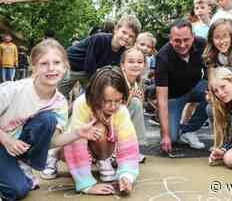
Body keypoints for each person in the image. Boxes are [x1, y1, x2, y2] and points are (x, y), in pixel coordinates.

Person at [0, 39, 102, 201]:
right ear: (34, 67)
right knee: (16, 191)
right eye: (44, 63)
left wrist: (78, 133)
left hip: (16, 149)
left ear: (65, 66)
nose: (51, 68)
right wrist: (6, 140)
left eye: (56, 62)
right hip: (4, 143)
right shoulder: (13, 90)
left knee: (48, 119)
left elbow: (51, 142)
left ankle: (22, 166)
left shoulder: (60, 102)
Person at [63, 67, 139, 195]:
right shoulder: (82, 104)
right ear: (95, 96)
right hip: (72, 145)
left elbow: (128, 146)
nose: (113, 106)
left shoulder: (121, 111)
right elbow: (75, 143)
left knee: (100, 128)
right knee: (71, 141)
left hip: (99, 148)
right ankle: (53, 155)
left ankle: (102, 160)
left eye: (118, 100)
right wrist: (86, 184)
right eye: (107, 101)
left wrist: (126, 175)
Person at [59, 15, 141, 100]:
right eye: (124, 32)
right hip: (71, 66)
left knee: (93, 98)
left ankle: (77, 108)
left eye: (131, 36)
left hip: (88, 72)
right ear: (116, 30)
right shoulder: (99, 39)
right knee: (58, 95)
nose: (126, 37)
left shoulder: (123, 52)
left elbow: (115, 72)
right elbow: (90, 65)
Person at [156, 19, 208, 152]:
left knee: (216, 94)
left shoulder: (202, 44)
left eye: (186, 40)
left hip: (197, 87)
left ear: (193, 36)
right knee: (172, 139)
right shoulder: (162, 57)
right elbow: (161, 99)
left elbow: (212, 69)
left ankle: (188, 130)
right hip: (174, 97)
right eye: (177, 40)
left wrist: (213, 89)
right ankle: (172, 130)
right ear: (170, 39)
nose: (182, 44)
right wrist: (165, 135)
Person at [120, 47, 148, 162]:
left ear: (144, 65)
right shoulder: (118, 80)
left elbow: (138, 110)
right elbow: (112, 110)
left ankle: (133, 148)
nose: (135, 65)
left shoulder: (138, 82)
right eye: (131, 61)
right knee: (134, 103)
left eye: (139, 62)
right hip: (102, 120)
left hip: (120, 120)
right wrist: (130, 98)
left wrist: (140, 100)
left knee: (136, 104)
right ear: (122, 65)